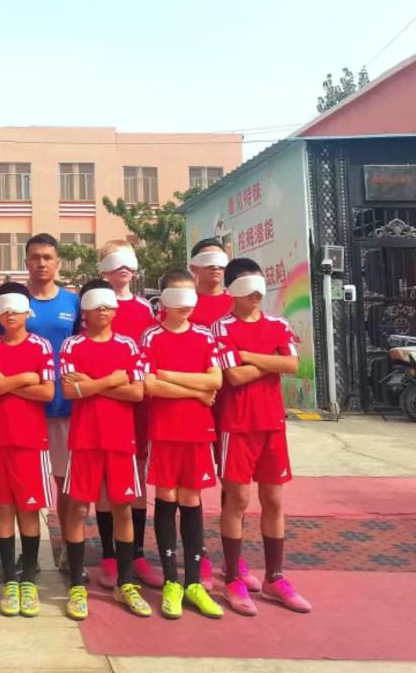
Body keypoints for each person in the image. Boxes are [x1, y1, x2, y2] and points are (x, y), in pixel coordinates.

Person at [212, 258, 311, 615]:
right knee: (237, 500)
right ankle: (233, 579)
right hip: (236, 425)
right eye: (246, 285)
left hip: (273, 425)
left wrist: (250, 356)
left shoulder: (278, 324)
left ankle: (274, 577)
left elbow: (293, 364)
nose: (255, 293)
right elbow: (234, 377)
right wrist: (272, 361)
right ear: (231, 290)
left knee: (273, 500)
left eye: (259, 285)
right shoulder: (221, 328)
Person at [59, 279, 151, 622]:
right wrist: (112, 380)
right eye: (94, 304)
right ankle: (76, 585)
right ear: (83, 310)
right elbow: (69, 391)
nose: (101, 310)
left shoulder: (128, 345)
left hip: (120, 440)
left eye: (107, 304)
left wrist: (91, 385)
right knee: (77, 510)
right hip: (84, 440)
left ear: (115, 308)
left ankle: (125, 583)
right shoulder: (72, 345)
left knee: (123, 509)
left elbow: (137, 392)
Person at [141, 269, 224, 620]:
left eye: (191, 296)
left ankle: (193, 583)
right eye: (178, 296)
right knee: (166, 497)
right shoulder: (151, 336)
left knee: (191, 499)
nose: (186, 303)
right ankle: (171, 582)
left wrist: (171, 375)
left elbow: (216, 380)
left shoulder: (204, 336)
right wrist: (196, 390)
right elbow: (150, 384)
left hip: (197, 431)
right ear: (164, 300)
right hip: (164, 430)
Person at [0, 282, 55, 617]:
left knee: (28, 510)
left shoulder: (41, 345)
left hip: (30, 441)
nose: (10, 314)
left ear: (27, 312)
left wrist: (6, 381)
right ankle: (10, 579)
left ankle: (29, 582)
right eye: (3, 309)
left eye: (16, 309)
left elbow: (47, 392)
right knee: (3, 510)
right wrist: (25, 379)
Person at [94, 239, 163, 591]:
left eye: (128, 260)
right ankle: (108, 554)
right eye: (114, 260)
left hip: (139, 405)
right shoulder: (93, 306)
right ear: (103, 268)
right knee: (105, 482)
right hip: (104, 404)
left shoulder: (146, 309)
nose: (122, 267)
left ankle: (136, 553)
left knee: (136, 479)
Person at [22, 233, 82, 581]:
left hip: (65, 407)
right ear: (26, 262)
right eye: (35, 257)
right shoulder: (14, 302)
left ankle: (66, 550)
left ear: (58, 262)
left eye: (47, 257)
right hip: (27, 407)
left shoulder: (73, 302)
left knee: (65, 483)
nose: (41, 263)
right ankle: (27, 554)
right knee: (28, 484)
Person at [187, 236, 234, 588]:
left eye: (221, 261)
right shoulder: (183, 305)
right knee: (193, 487)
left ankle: (234, 560)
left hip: (234, 407)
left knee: (234, 487)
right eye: (207, 261)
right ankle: (198, 555)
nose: (215, 267)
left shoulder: (238, 302)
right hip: (196, 408)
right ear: (194, 267)